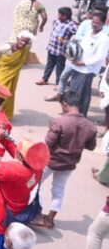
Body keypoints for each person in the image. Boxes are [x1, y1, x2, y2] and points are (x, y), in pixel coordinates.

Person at [34, 91, 97, 230]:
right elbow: (91, 147)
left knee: (35, 185)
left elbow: (48, 143)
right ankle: (50, 220)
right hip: (69, 164)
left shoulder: (60, 122)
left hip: (50, 161)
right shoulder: (90, 126)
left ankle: (37, 214)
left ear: (65, 104)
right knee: (59, 190)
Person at [0, 32, 33, 120]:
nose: (23, 43)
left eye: (26, 42)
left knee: (9, 93)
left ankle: (4, 114)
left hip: (13, 74)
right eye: (22, 40)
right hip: (2, 72)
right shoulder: (6, 47)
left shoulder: (25, 49)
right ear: (17, 39)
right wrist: (0, 62)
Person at [37, 7, 77, 86]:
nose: (58, 16)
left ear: (64, 16)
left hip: (61, 51)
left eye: (59, 14)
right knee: (49, 64)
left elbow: (79, 33)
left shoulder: (71, 25)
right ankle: (44, 79)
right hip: (52, 48)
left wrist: (68, 41)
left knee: (60, 67)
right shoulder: (57, 21)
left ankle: (58, 83)